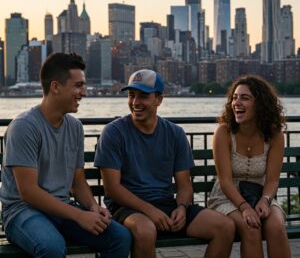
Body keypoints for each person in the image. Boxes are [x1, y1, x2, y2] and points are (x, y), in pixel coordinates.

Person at [0, 53, 131, 258]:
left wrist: (92, 207)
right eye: (78, 86)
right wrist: (79, 215)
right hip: (22, 212)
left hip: (62, 209)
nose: (84, 92)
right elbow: (28, 192)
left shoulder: (75, 127)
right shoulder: (23, 127)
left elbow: (77, 182)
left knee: (120, 237)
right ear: (55, 87)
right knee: (51, 247)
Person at [94, 69, 235, 258]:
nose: (135, 102)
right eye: (131, 95)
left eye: (143, 96)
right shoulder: (113, 132)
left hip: (166, 204)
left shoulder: (175, 133)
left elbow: (185, 185)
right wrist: (151, 211)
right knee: (145, 232)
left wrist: (182, 208)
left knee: (225, 227)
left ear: (159, 99)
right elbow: (112, 189)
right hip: (126, 208)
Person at [207, 75, 291, 258]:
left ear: (260, 104)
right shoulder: (223, 132)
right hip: (227, 197)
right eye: (235, 98)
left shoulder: (275, 135)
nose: (237, 102)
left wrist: (265, 200)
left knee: (276, 226)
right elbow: (225, 181)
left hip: (261, 194)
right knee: (251, 227)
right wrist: (245, 207)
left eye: (244, 98)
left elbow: (272, 179)